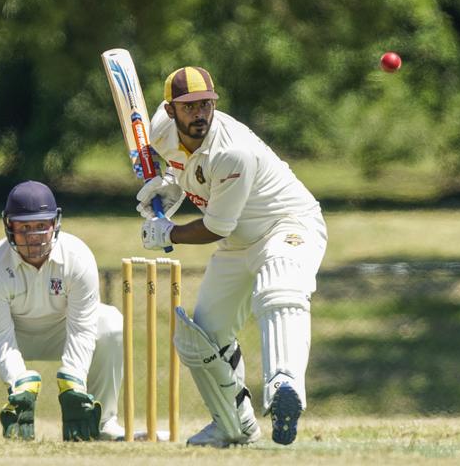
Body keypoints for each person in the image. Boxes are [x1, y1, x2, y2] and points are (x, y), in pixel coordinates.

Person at [137, 66, 327, 447]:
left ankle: (283, 386)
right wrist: (169, 187)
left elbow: (215, 227)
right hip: (237, 243)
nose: (200, 114)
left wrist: (168, 233)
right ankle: (233, 426)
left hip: (286, 224)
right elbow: (182, 170)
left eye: (206, 104)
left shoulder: (231, 151)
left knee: (280, 287)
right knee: (200, 337)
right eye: (189, 107)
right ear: (170, 110)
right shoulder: (159, 130)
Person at [0, 180, 125, 441]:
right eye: (24, 227)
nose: (33, 237)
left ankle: (102, 423)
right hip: (9, 333)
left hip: (62, 330)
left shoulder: (78, 258)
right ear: (8, 226)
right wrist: (18, 381)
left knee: (112, 323)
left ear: (55, 224)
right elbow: (0, 337)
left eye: (40, 226)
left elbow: (81, 328)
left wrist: (74, 384)